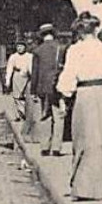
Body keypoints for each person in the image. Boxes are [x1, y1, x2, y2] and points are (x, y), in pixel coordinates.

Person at [57, 12, 102, 200]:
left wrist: (64, 95)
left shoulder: (75, 50)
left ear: (79, 31)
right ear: (95, 29)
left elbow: (68, 77)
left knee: (86, 140)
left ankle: (86, 188)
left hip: (85, 96)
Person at [27, 22, 66, 156]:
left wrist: (33, 91)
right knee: (59, 116)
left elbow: (35, 72)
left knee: (45, 117)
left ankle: (44, 146)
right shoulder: (61, 48)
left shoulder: (37, 51)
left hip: (42, 88)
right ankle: (56, 148)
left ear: (41, 35)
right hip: (57, 86)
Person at [4, 39, 33, 123]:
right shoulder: (13, 56)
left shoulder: (29, 56)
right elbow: (9, 69)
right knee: (17, 97)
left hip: (27, 77)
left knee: (26, 96)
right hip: (17, 76)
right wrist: (8, 80)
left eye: (21, 46)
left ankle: (26, 114)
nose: (19, 48)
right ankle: (20, 114)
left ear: (25, 47)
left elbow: (31, 67)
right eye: (18, 46)